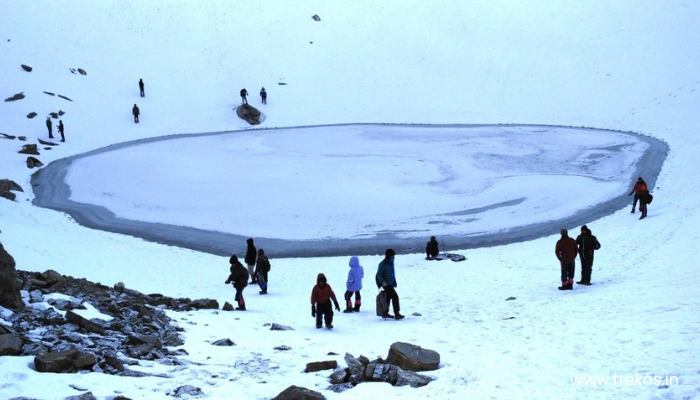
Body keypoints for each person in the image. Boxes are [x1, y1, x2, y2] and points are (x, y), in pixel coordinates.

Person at [376, 248, 404, 319]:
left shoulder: (391, 263)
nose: (394, 258)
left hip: (391, 284)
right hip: (386, 285)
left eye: (394, 256)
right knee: (395, 296)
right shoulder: (382, 264)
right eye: (392, 256)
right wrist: (383, 282)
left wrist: (394, 282)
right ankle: (397, 313)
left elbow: (391, 273)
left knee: (388, 297)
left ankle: (385, 313)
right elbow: (378, 275)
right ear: (388, 256)